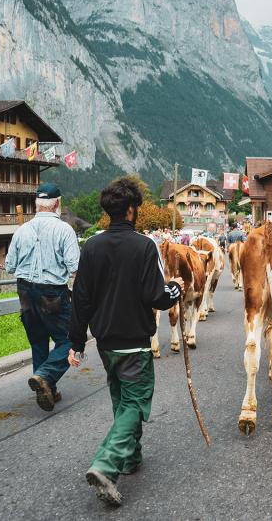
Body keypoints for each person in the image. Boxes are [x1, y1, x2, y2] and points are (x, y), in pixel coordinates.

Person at [68, 177, 184, 506]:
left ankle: (131, 456)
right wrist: (175, 288)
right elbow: (157, 296)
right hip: (134, 339)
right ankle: (106, 466)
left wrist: (77, 342)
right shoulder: (144, 246)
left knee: (121, 398)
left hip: (106, 341)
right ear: (132, 210)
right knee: (135, 402)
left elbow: (80, 298)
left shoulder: (92, 246)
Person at [5, 182, 80, 411]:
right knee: (70, 339)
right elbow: (75, 267)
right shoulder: (64, 230)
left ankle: (48, 389)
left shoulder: (22, 230)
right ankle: (45, 376)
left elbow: (9, 266)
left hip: (25, 291)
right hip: (52, 293)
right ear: (57, 204)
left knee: (38, 342)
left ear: (36, 204)